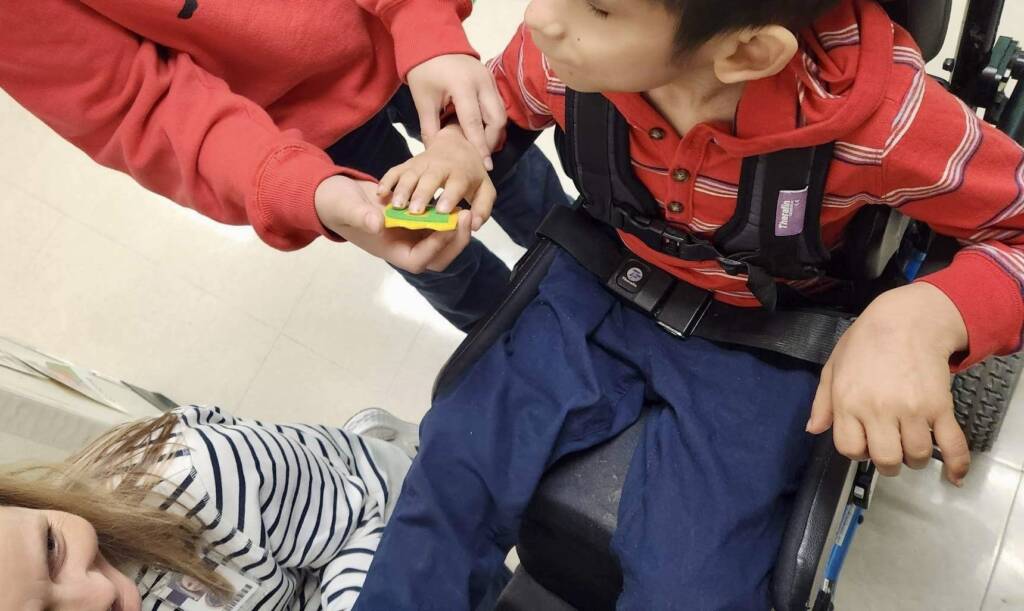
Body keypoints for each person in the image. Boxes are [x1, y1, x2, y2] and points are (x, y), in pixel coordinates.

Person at [355, 0, 1024, 608]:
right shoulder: (562, 58)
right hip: (596, 284)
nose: (537, 18)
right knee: (449, 478)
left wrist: (928, 313)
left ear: (746, 54)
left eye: (600, 8)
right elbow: (492, 102)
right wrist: (456, 147)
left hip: (761, 340)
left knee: (695, 589)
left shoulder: (881, 120)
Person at [0, 0, 566, 332]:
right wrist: (299, 189)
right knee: (430, 249)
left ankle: (586, 265)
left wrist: (424, 26)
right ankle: (520, 339)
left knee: (510, 171)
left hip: (400, 45)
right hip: (291, 129)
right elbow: (134, 103)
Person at [0, 405, 456, 611]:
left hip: (368, 510)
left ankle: (385, 442)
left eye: (51, 548)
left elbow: (358, 526)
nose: (95, 595)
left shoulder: (194, 479)